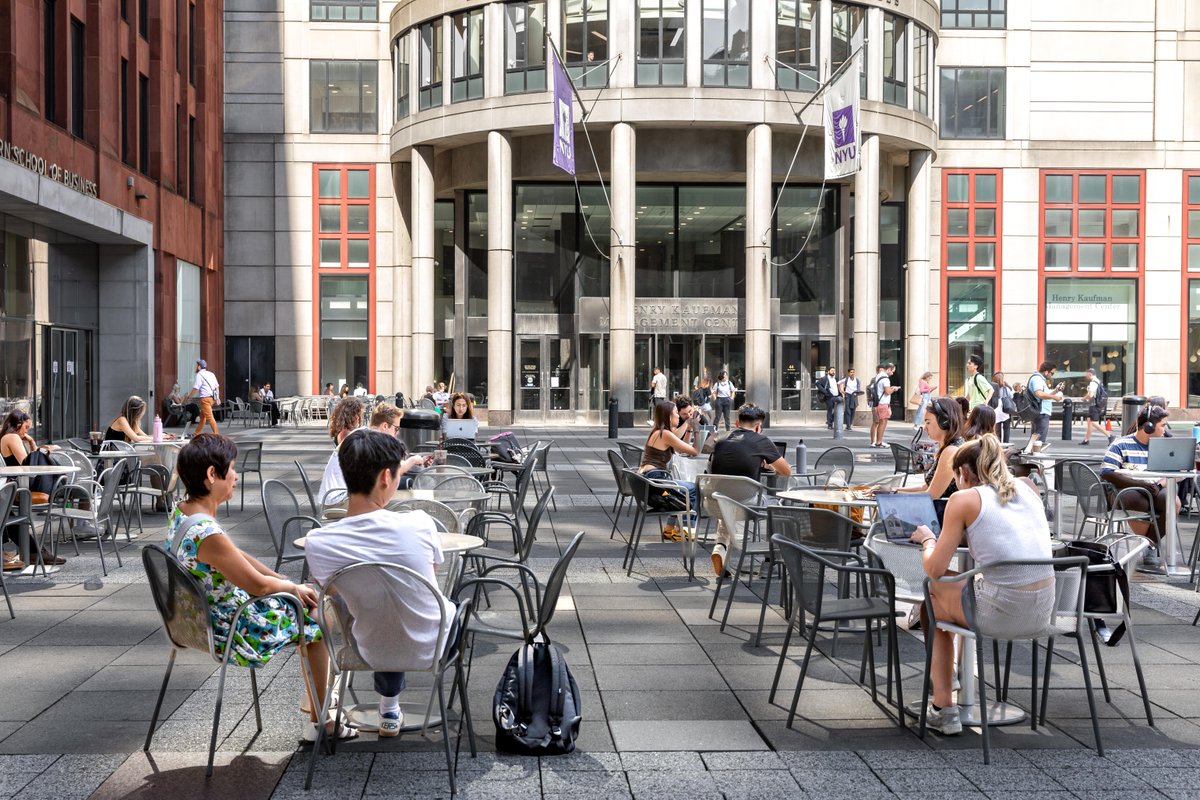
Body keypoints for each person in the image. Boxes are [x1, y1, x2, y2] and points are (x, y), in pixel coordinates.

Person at [165, 434, 348, 740]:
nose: (236, 475)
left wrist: (286, 583)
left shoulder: (183, 512)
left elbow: (237, 557)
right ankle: (321, 719)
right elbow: (257, 585)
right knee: (317, 620)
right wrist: (289, 589)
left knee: (306, 599)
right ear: (212, 475)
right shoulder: (205, 531)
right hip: (229, 626)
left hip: (195, 620)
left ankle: (317, 695)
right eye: (232, 469)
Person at [304, 429, 453, 737]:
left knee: (375, 608)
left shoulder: (318, 541)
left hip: (367, 648)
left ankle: (337, 704)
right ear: (386, 477)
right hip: (436, 643)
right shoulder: (420, 523)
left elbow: (330, 592)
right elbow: (430, 574)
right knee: (420, 605)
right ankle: (390, 706)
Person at [909, 434, 1055, 735]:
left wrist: (927, 539)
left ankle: (944, 707)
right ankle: (955, 687)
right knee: (963, 583)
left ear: (962, 473)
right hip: (1044, 612)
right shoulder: (1028, 488)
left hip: (999, 613)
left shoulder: (963, 499)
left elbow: (935, 568)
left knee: (931, 597)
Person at [708, 404, 791, 575]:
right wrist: (768, 464)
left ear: (737, 423)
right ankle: (770, 562)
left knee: (728, 494)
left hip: (715, 504)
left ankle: (720, 546)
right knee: (777, 506)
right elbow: (786, 471)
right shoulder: (761, 441)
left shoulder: (721, 440)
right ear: (759, 426)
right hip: (746, 505)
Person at [1100, 404, 1176, 568]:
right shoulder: (1121, 444)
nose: (1165, 429)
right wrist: (1140, 484)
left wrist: (1160, 483)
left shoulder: (1164, 446)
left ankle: (1148, 544)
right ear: (1148, 426)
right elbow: (1107, 472)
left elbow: (1179, 472)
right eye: (1162, 425)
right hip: (1123, 492)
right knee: (1138, 501)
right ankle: (1148, 545)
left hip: (1155, 489)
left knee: (1173, 502)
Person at [0, 410, 64, 568]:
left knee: (9, 515)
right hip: (18, 487)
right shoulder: (12, 437)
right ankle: (36, 552)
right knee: (46, 461)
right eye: (26, 428)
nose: (26, 432)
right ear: (18, 423)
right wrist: (38, 449)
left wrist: (31, 443)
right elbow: (27, 465)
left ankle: (35, 552)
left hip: (12, 487)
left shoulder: (9, 437)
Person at [887, 397, 966, 506]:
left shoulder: (951, 451)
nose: (925, 428)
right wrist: (892, 490)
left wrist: (892, 494)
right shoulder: (949, 446)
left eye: (928, 422)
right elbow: (925, 487)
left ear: (944, 421)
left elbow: (931, 495)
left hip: (943, 516)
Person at [639, 400, 700, 540]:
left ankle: (670, 528)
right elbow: (695, 450)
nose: (679, 416)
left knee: (680, 491)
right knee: (694, 489)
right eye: (676, 414)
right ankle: (683, 529)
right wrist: (696, 428)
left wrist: (689, 425)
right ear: (668, 416)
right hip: (656, 481)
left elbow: (681, 444)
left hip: (651, 479)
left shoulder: (659, 431)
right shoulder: (664, 434)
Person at [318, 397, 366, 508]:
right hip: (336, 500)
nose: (360, 419)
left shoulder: (344, 432)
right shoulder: (347, 435)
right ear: (352, 415)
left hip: (336, 495)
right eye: (358, 415)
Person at [106, 395, 175, 442]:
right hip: (112, 455)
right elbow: (136, 438)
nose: (141, 415)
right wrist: (159, 438)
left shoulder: (131, 422)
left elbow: (145, 436)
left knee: (154, 457)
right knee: (153, 457)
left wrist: (162, 436)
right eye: (140, 412)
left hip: (121, 453)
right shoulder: (122, 420)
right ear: (134, 412)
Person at [1027, 360, 1064, 445]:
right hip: (1041, 412)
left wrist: (1056, 390)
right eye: (1052, 373)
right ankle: (1035, 456)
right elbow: (1039, 393)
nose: (1052, 375)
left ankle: (1033, 456)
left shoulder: (1040, 379)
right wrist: (1054, 397)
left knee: (1035, 440)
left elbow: (1044, 395)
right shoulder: (1037, 379)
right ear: (1046, 372)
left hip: (1040, 412)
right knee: (1039, 441)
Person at [185, 358, 221, 436]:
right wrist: (217, 398)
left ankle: (217, 435)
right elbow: (217, 387)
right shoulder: (211, 374)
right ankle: (196, 433)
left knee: (210, 418)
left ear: (199, 367)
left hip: (205, 399)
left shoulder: (199, 375)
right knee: (203, 418)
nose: (195, 367)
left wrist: (189, 397)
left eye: (196, 365)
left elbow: (196, 388)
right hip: (212, 399)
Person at [868, 363, 899, 448]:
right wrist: (894, 389)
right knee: (883, 422)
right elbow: (887, 392)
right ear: (888, 369)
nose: (892, 373)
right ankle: (879, 442)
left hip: (878, 403)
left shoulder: (878, 376)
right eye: (892, 371)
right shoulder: (885, 379)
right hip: (883, 403)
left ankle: (877, 441)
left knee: (878, 422)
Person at [1080, 368, 1111, 446]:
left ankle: (1109, 436)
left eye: (1087, 374)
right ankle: (1086, 439)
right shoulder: (1098, 381)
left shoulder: (1093, 383)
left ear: (1090, 374)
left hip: (1094, 405)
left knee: (1093, 423)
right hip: (1095, 405)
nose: (1086, 376)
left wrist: (1084, 398)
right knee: (1089, 422)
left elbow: (1090, 394)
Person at [991, 371, 1013, 444]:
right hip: (1005, 409)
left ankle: (998, 443)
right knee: (1006, 428)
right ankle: (1006, 443)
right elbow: (1011, 396)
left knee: (997, 428)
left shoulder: (992, 387)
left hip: (996, 409)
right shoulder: (1006, 388)